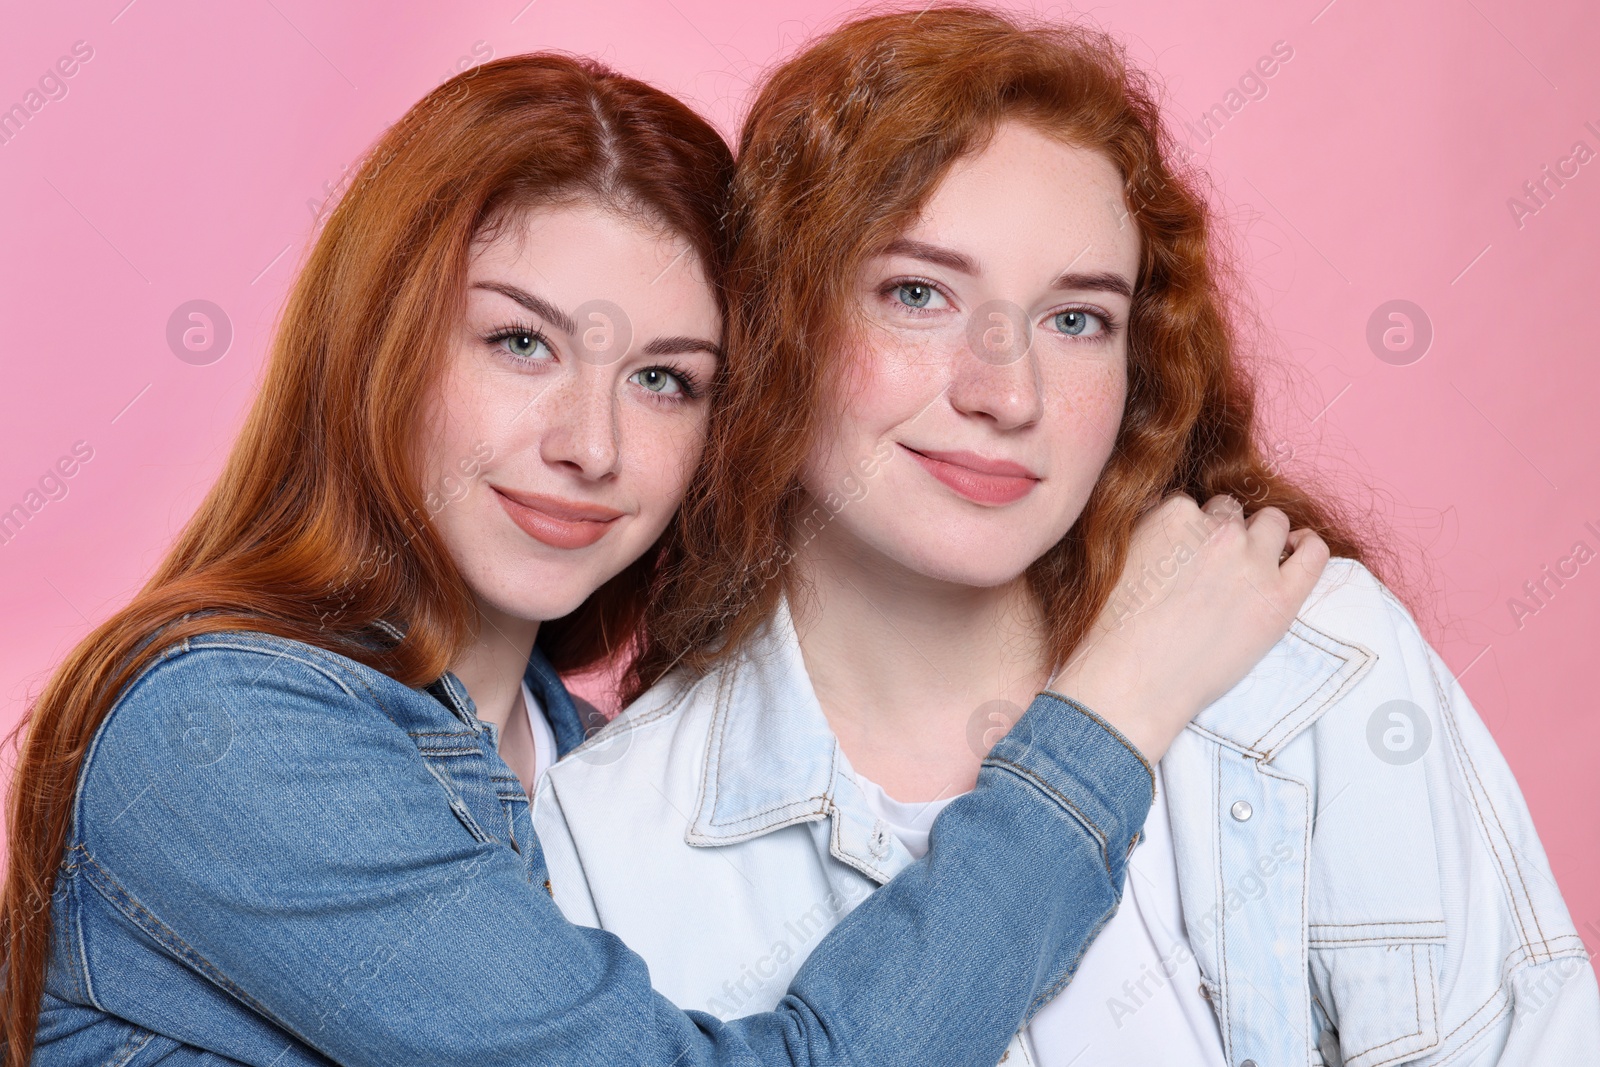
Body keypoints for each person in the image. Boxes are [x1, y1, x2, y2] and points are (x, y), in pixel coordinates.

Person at [0, 52, 1323, 1066]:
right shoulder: (231, 734)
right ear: (378, 347)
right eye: (520, 342)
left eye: (667, 378)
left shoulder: (584, 765)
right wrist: (1105, 717)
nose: (591, 442)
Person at [533, 9, 1600, 1067]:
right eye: (917, 293)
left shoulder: (1311, 659)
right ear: (774, 323)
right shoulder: (607, 838)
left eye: (1075, 317)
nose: (1006, 391)